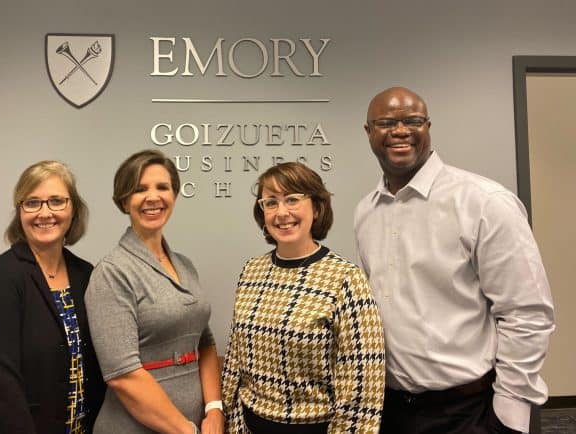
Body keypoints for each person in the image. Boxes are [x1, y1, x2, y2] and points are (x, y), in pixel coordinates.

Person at [354, 86, 555, 434]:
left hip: (469, 413)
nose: (400, 131)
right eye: (387, 122)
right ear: (369, 132)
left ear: (428, 126)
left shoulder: (484, 202)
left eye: (412, 121)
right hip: (389, 411)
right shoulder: (366, 212)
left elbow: (527, 313)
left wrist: (509, 415)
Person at [222, 162, 385, 434]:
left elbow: (363, 383)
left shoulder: (345, 279)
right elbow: (235, 358)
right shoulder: (252, 271)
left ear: (317, 208)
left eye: (293, 200)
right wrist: (226, 416)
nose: (281, 212)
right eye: (270, 203)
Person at [85, 149, 223, 434]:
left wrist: (214, 410)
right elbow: (123, 375)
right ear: (124, 201)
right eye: (139, 189)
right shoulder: (112, 273)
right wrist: (186, 431)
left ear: (174, 195)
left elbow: (205, 342)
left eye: (163, 187)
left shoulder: (184, 265)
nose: (153, 197)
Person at [0, 160, 105, 434]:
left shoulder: (86, 275)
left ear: (73, 209)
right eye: (32, 203)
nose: (45, 213)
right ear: (20, 211)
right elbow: (0, 384)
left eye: (56, 201)